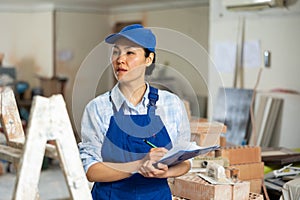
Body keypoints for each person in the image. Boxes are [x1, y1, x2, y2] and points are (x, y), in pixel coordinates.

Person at [78, 24, 191, 200]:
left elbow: (186, 162)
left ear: (148, 59)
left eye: (130, 53)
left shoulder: (171, 104)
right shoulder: (97, 108)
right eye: (116, 52)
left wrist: (165, 172)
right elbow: (91, 170)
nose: (120, 59)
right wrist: (139, 165)